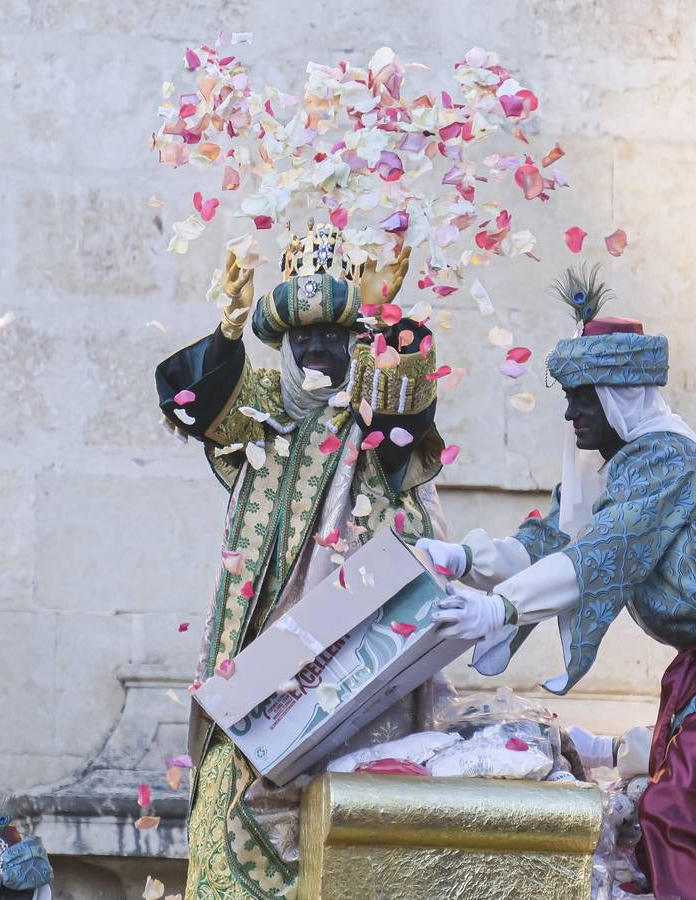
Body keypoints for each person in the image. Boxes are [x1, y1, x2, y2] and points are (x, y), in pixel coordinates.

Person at [419, 265, 696, 900]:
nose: (572, 412)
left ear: (619, 397)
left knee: (677, 813)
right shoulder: (617, 471)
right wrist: (465, 561)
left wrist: (498, 611)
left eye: (584, 396)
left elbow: (600, 555)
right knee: (691, 810)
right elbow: (551, 540)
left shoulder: (665, 464)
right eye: (569, 396)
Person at [156, 223, 450, 899]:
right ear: (283, 346)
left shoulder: (370, 413)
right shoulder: (258, 407)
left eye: (333, 334)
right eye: (303, 336)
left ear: (353, 343)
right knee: (232, 807)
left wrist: (382, 318)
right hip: (257, 655)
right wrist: (229, 328)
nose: (318, 346)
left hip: (350, 652)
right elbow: (191, 402)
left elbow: (408, 403)